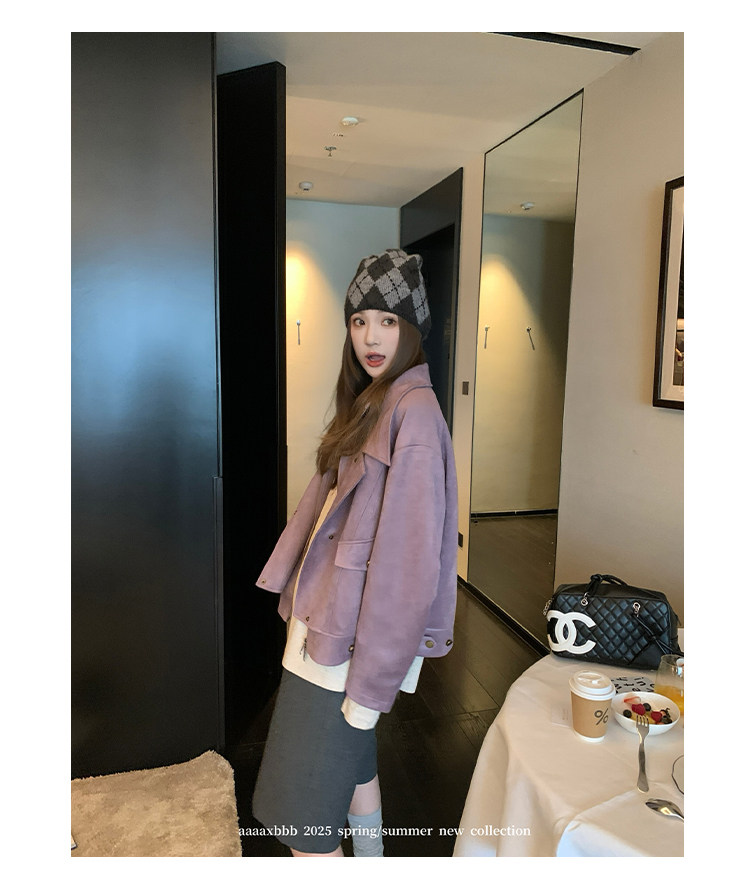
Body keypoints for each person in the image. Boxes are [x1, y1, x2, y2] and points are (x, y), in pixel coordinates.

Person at [252, 248, 458, 857]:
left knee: (302, 825)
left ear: (412, 329)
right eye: (359, 320)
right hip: (329, 624)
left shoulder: (413, 413)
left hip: (346, 644)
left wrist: (370, 686)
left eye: (388, 321)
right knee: (351, 769)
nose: (370, 337)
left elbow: (409, 570)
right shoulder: (376, 398)